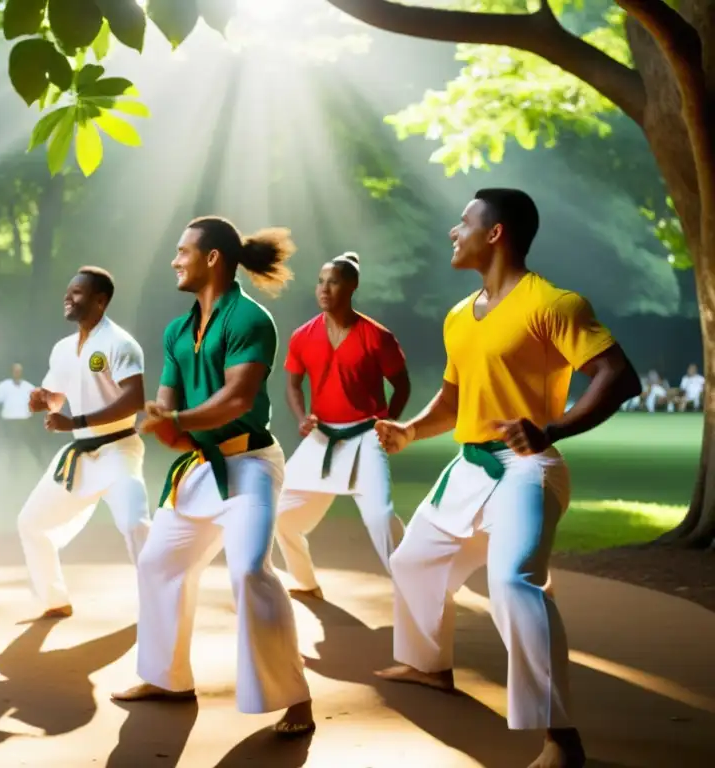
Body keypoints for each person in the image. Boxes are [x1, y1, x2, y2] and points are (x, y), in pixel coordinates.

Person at [373, 189, 641, 768]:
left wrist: (554, 428)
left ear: (495, 234)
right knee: (413, 561)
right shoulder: (458, 315)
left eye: (463, 221)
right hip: (469, 467)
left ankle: (562, 742)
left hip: (526, 469)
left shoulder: (554, 303)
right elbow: (453, 397)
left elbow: (618, 377)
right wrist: (411, 431)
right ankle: (429, 666)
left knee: (515, 584)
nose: (453, 230)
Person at [111, 216, 314, 737]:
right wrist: (163, 424)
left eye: (182, 251)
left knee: (250, 571)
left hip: (250, 466)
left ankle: (295, 699)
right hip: (202, 468)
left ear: (212, 259)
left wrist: (173, 422)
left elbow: (237, 399)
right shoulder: (178, 331)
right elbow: (171, 410)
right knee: (158, 562)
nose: (175, 260)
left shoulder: (250, 319)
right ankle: (167, 678)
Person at [275, 252, 410, 596]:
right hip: (322, 439)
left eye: (333, 282)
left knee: (380, 517)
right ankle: (305, 583)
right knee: (280, 516)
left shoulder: (377, 337)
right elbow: (292, 384)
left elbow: (402, 384)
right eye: (321, 282)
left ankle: (415, 589)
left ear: (352, 286)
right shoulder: (302, 336)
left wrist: (389, 422)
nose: (324, 289)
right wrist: (302, 417)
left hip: (366, 436)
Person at [18, 267, 150, 619]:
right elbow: (57, 398)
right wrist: (42, 400)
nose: (68, 297)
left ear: (100, 300)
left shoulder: (120, 344)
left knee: (136, 523)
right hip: (81, 456)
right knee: (30, 523)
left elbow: (134, 400)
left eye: (76, 292)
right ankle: (54, 600)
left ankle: (159, 600)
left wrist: (74, 422)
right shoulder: (63, 349)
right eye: (68, 291)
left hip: (118, 451)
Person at [0, 363, 37, 472]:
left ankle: (43, 466)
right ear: (12, 372)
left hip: (24, 421)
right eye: (15, 371)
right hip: (10, 421)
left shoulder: (28, 387)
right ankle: (13, 470)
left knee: (33, 445)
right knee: (13, 447)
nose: (17, 373)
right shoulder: (3, 386)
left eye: (19, 371)